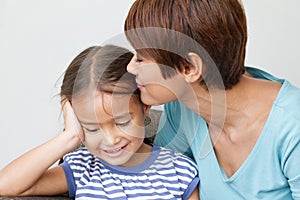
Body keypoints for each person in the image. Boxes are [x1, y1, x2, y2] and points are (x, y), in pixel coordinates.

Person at [124, 0, 300, 199]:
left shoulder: (292, 127)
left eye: (140, 58)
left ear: (189, 68)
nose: (130, 68)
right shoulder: (180, 109)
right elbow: (157, 183)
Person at [0, 45, 199, 199]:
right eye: (92, 128)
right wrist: (70, 136)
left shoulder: (179, 170)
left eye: (122, 122)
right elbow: (6, 185)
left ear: (144, 106)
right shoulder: (83, 168)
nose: (110, 140)